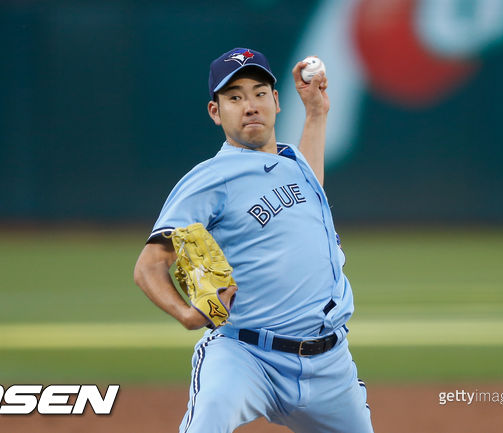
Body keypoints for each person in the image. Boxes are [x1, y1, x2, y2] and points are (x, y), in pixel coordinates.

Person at [134, 47, 373, 433]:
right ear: (216, 112)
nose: (250, 105)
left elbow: (305, 184)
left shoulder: (294, 161)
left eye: (259, 93)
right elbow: (149, 265)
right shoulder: (210, 178)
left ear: (276, 102)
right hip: (246, 356)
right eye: (234, 97)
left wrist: (316, 112)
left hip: (329, 365)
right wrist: (185, 314)